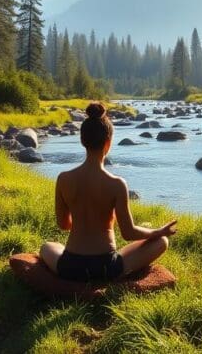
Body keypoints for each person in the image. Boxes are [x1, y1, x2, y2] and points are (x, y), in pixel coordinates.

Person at [40, 102, 177, 281]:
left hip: (70, 266)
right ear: (108, 142)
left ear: (82, 140)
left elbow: (63, 224)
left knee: (47, 247)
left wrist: (84, 222)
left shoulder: (63, 179)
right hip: (106, 268)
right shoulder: (116, 184)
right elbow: (128, 233)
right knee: (161, 242)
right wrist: (158, 232)